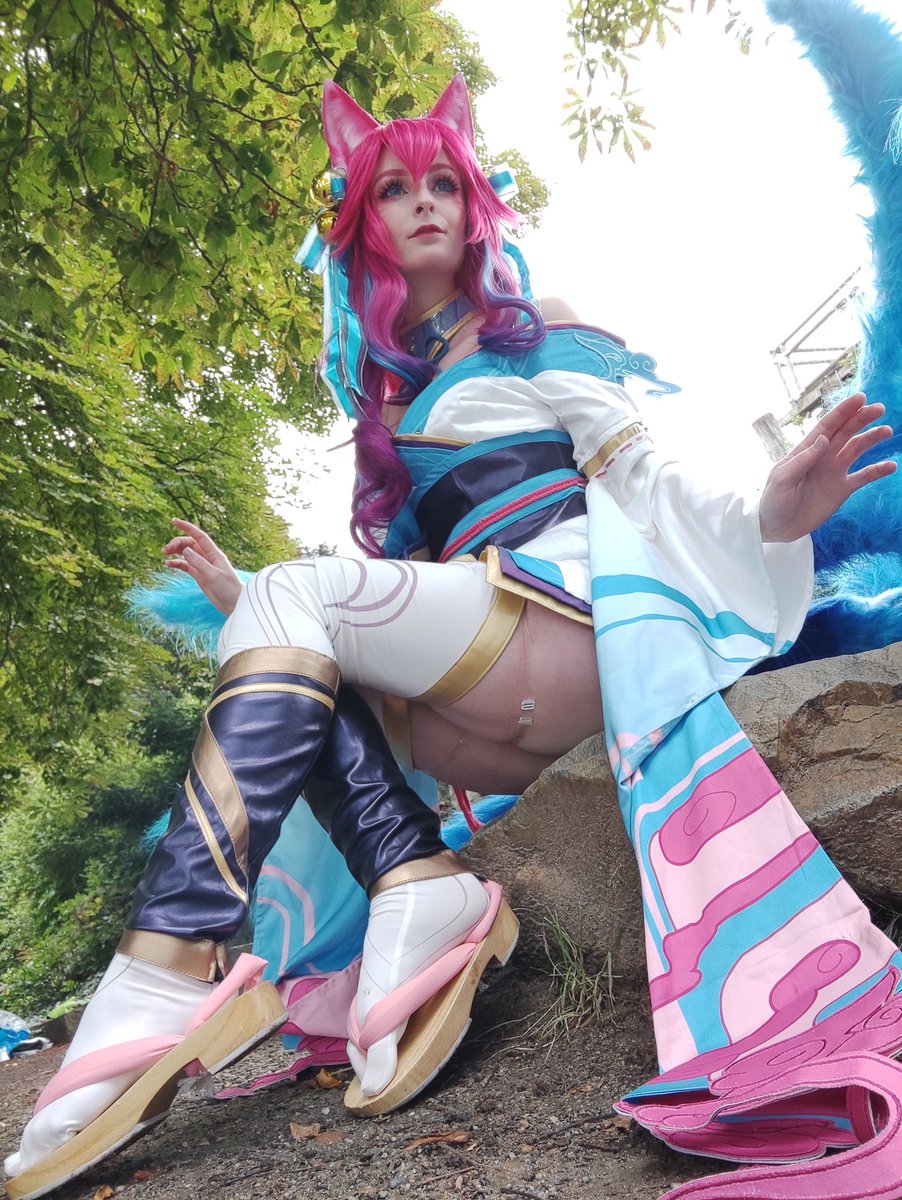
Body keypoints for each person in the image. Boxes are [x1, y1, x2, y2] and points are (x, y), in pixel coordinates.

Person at [5, 75, 900, 1200]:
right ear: (362, 223)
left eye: (442, 181)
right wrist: (249, 601)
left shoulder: (535, 332)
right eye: (393, 188)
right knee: (294, 635)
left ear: (476, 205)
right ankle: (409, 879)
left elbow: (638, 469)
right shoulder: (384, 411)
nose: (422, 201)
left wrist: (766, 515)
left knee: (294, 598)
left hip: (566, 629)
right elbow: (392, 606)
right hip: (476, 693)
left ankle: (165, 963)